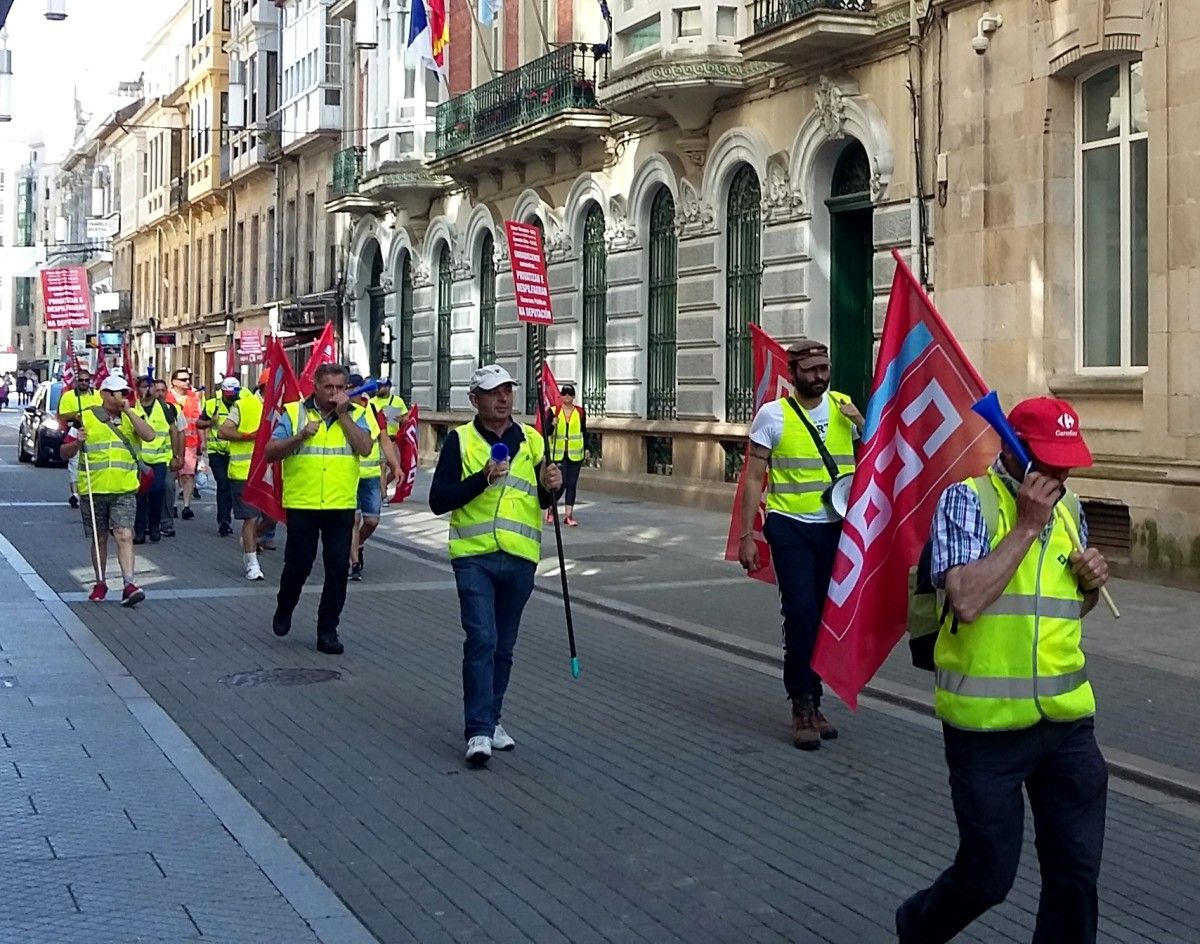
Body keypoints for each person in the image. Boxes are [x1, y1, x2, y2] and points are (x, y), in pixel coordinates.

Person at [896, 397, 1110, 944]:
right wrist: (1024, 528)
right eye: (1049, 461)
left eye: (1068, 463)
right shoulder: (966, 503)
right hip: (986, 728)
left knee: (1075, 875)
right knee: (988, 876)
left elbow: (1057, 608)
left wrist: (1088, 584)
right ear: (1014, 452)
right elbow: (965, 599)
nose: (1060, 474)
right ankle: (918, 926)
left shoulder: (1070, 508)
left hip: (1066, 723)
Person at [429, 365, 562, 767]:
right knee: (482, 638)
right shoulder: (461, 441)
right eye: (493, 392)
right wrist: (482, 479)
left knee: (504, 646)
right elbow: (439, 500)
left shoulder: (533, 440)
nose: (503, 399)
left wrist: (553, 484)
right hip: (474, 556)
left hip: (521, 557)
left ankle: (494, 718)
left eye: (507, 391)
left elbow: (541, 499)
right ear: (475, 400)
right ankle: (478, 731)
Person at [736, 339, 864, 750]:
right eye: (810, 370)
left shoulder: (846, 408)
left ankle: (817, 698)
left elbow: (879, 456)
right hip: (789, 526)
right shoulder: (772, 416)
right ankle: (802, 702)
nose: (819, 376)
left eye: (824, 368)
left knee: (826, 617)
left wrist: (864, 422)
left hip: (836, 528)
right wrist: (746, 536)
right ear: (793, 375)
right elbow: (754, 478)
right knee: (801, 613)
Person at [265, 364, 372, 653]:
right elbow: (269, 452)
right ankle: (285, 606)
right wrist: (299, 436)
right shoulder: (294, 413)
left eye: (341, 387)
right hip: (303, 503)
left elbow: (365, 448)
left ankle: (328, 629)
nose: (335, 393)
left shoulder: (358, 413)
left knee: (337, 569)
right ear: (315, 386)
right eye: (329, 387)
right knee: (299, 565)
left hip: (340, 504)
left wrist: (343, 416)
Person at [58, 375, 157, 606]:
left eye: (123, 391)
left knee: (124, 534)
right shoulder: (87, 418)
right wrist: (77, 443)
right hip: (94, 488)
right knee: (99, 537)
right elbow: (64, 452)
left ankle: (129, 584)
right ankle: (100, 582)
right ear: (103, 394)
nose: (119, 396)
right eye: (114, 392)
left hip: (124, 488)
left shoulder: (133, 416)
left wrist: (130, 412)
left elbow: (149, 436)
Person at [217, 377, 272, 581]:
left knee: (271, 518)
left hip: (272, 472)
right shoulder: (244, 404)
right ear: (265, 386)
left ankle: (250, 538)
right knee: (250, 517)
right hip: (244, 471)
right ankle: (252, 564)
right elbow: (223, 431)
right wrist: (249, 436)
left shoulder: (287, 405)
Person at [349, 375, 401, 581]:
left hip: (370, 477)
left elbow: (384, 439)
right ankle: (354, 563)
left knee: (371, 521)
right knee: (353, 520)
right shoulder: (341, 412)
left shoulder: (372, 410)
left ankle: (357, 544)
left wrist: (395, 466)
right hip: (349, 476)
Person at [132, 375, 179, 544]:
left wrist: (175, 455)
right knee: (139, 494)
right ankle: (139, 530)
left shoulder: (165, 408)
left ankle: (154, 524)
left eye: (149, 386)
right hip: (140, 459)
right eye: (143, 387)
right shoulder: (133, 408)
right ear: (138, 390)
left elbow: (174, 430)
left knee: (157, 491)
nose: (147, 390)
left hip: (160, 458)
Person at [200, 377, 243, 536]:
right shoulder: (212, 404)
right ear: (223, 391)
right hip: (216, 452)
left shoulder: (242, 404)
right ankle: (224, 521)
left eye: (235, 393)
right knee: (223, 485)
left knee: (232, 487)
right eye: (229, 393)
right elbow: (199, 423)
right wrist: (211, 422)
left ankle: (226, 518)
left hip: (234, 453)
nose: (232, 396)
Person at [57, 367, 101, 510]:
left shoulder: (98, 395)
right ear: (76, 381)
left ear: (90, 381)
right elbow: (62, 415)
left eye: (86, 380)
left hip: (95, 431)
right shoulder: (69, 396)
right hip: (76, 430)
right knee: (74, 462)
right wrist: (77, 415)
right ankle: (75, 494)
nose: (83, 383)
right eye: (80, 380)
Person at [546, 383, 586, 527]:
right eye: (565, 394)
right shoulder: (554, 411)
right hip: (558, 454)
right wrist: (552, 424)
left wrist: (586, 448)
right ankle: (551, 509)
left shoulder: (580, 412)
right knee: (560, 484)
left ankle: (568, 515)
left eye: (570, 394)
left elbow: (583, 431)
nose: (567, 397)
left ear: (574, 396)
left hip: (575, 454)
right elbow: (547, 432)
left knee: (572, 484)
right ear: (561, 396)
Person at [166, 367, 202, 519]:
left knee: (188, 475)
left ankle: (186, 506)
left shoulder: (194, 397)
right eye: (183, 379)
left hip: (190, 442)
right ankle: (172, 504)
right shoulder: (166, 397)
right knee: (172, 476)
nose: (187, 382)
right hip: (170, 442)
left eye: (188, 379)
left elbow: (198, 420)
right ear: (174, 382)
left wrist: (202, 442)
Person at [152, 378, 183, 537]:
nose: (160, 394)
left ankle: (166, 523)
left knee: (168, 487)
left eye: (163, 390)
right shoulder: (141, 408)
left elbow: (179, 432)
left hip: (167, 457)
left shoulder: (173, 409)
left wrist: (178, 456)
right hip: (148, 459)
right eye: (156, 390)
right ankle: (149, 522)